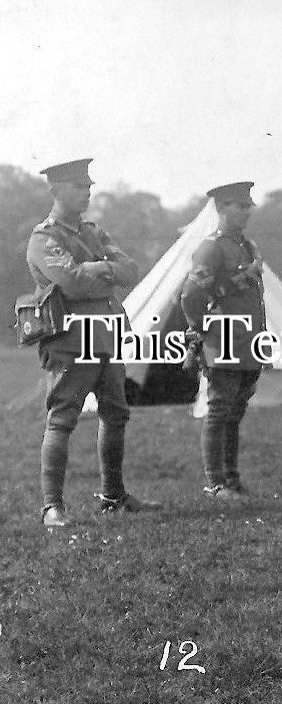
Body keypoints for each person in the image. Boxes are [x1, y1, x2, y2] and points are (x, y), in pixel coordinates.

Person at [25, 158, 159, 526]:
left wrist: (97, 270)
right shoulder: (45, 237)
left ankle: (113, 496)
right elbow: (70, 282)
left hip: (107, 335)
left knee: (116, 414)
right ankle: (52, 507)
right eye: (77, 187)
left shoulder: (94, 233)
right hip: (70, 341)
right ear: (55, 191)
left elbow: (131, 271)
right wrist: (101, 270)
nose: (86, 193)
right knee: (62, 420)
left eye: (87, 186)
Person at [180, 182, 269, 504]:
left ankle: (231, 478)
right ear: (221, 208)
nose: (247, 210)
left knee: (235, 413)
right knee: (219, 412)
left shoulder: (246, 246)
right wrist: (202, 329)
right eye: (239, 205)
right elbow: (191, 295)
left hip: (248, 344)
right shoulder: (212, 248)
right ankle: (215, 483)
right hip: (223, 343)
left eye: (248, 205)